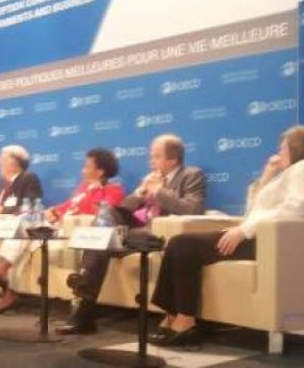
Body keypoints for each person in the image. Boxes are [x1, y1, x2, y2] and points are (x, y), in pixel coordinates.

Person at [150, 125, 304, 347]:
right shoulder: (290, 173)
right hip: (258, 235)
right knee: (179, 243)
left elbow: (296, 208)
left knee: (183, 244)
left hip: (268, 242)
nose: (279, 153)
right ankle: (173, 315)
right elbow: (252, 210)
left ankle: (184, 320)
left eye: (283, 148)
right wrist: (268, 175)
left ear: (298, 148)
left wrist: (244, 231)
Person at [57, 134, 206, 335]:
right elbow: (123, 209)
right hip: (136, 233)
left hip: (160, 235)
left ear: (173, 160)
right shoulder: (151, 178)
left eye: (156, 157)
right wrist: (141, 192)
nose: (151, 161)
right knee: (107, 214)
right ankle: (84, 307)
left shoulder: (191, 175)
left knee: (105, 237)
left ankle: (84, 305)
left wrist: (159, 191)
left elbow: (193, 209)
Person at [0, 145, 43, 314]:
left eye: (3, 159)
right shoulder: (3, 182)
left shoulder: (29, 178)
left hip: (24, 223)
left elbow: (31, 206)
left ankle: (4, 278)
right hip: (1, 224)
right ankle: (6, 288)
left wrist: (4, 211)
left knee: (18, 233)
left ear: (16, 162)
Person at [45, 148, 125, 223]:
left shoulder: (114, 191)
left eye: (87, 167)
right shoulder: (84, 187)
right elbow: (70, 204)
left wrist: (93, 190)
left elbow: (98, 213)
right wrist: (55, 212)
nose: (83, 171)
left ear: (100, 172)